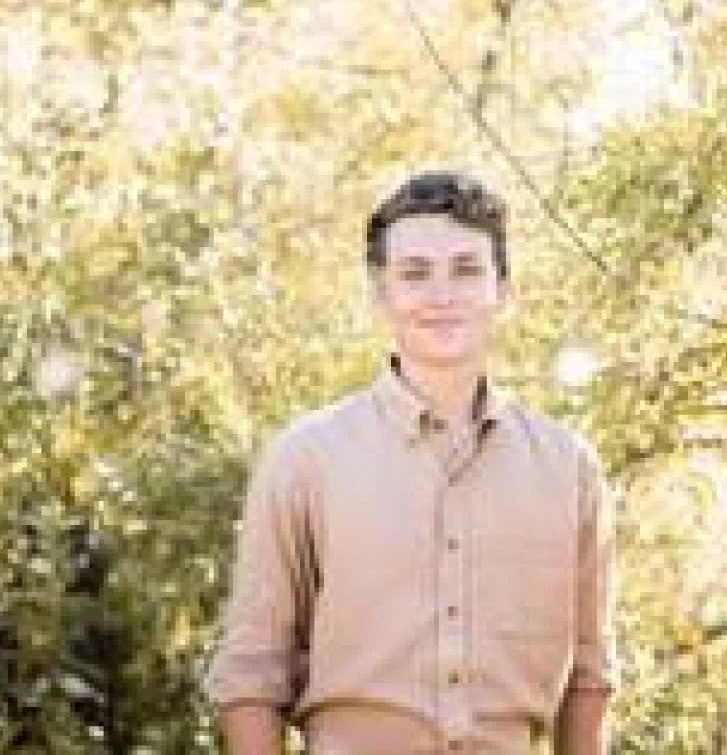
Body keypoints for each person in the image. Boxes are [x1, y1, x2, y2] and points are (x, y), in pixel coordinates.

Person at [204, 169, 618, 755]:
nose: (441, 295)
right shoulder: (306, 460)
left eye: (467, 270)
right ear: (381, 294)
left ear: (504, 288)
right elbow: (251, 675)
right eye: (415, 273)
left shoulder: (569, 470)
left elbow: (589, 678)